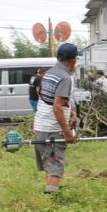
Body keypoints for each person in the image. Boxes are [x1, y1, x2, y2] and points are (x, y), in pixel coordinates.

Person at [33, 43, 79, 194]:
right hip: (52, 129)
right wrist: (67, 133)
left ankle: (51, 192)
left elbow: (52, 100)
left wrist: (71, 112)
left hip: (40, 126)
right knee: (55, 165)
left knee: (50, 164)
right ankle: (50, 202)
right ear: (74, 60)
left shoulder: (50, 73)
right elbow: (57, 106)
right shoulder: (66, 78)